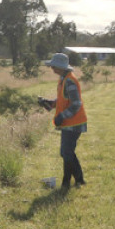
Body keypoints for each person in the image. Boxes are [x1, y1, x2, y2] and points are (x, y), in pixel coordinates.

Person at [42, 52, 87, 190]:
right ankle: (77, 180)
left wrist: (62, 116)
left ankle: (68, 182)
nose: (52, 68)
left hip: (74, 123)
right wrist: (50, 103)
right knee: (66, 152)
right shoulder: (63, 78)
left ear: (61, 67)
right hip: (70, 122)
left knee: (66, 152)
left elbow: (76, 104)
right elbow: (64, 99)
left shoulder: (69, 80)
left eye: (54, 66)